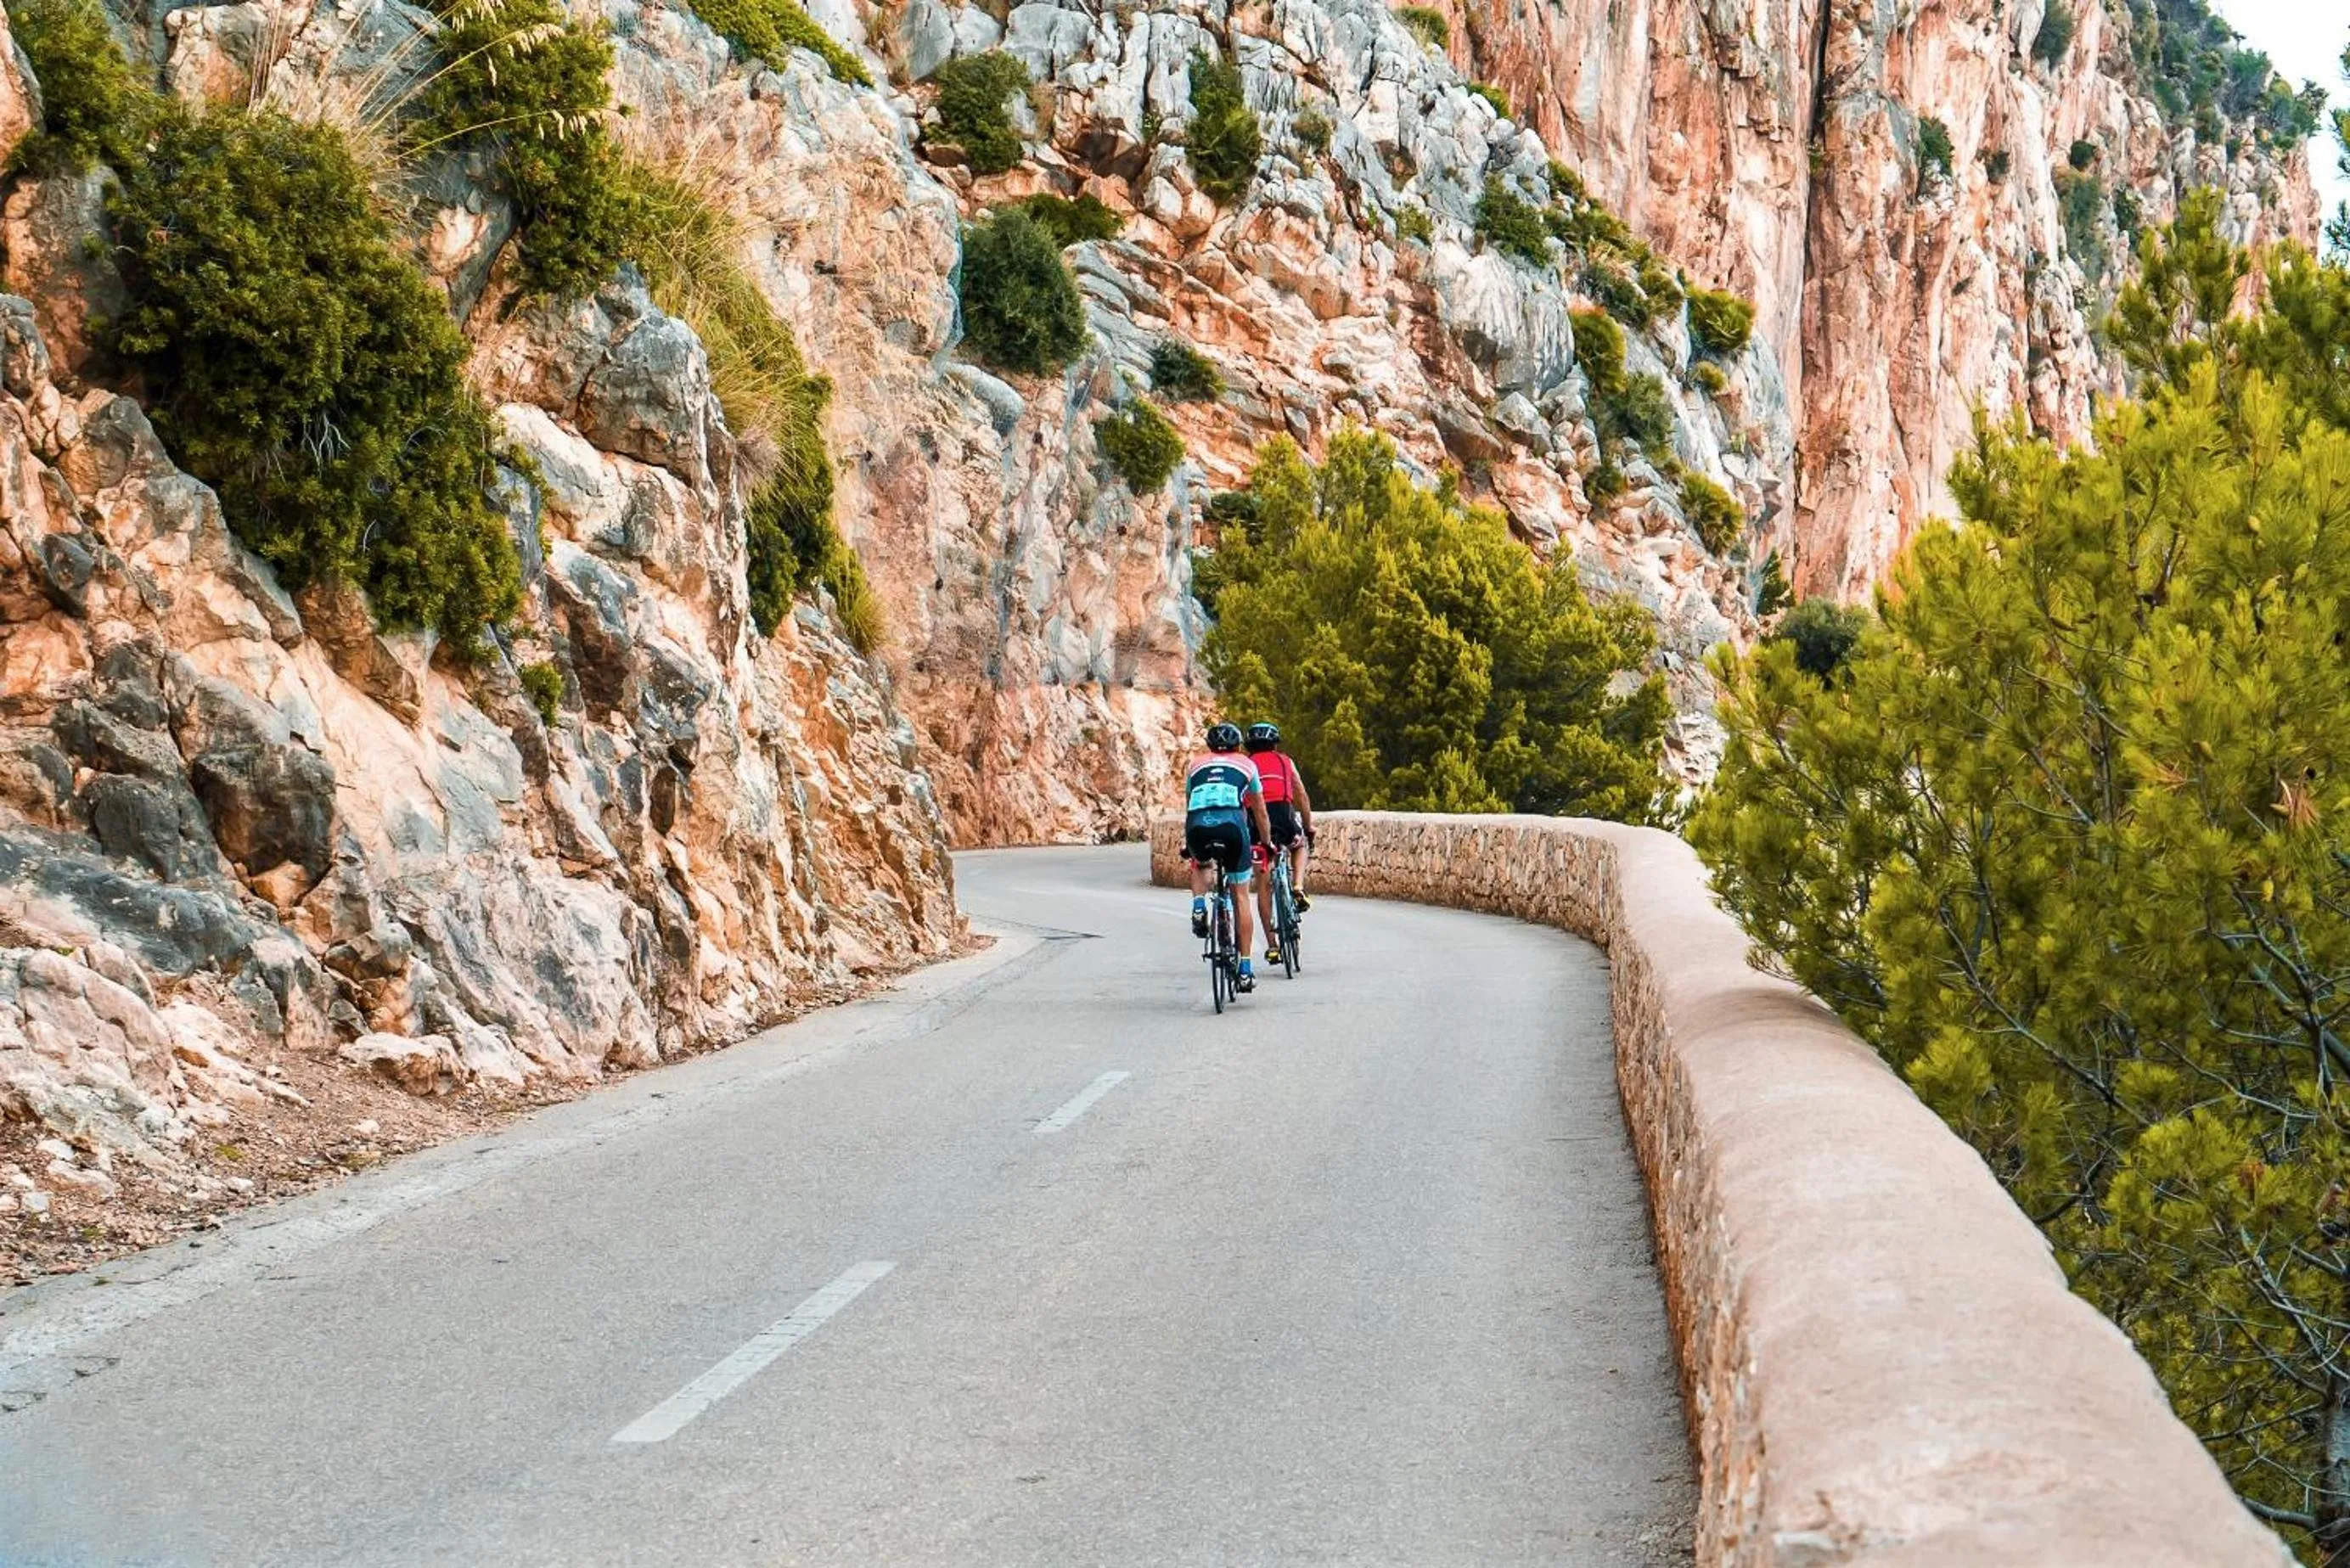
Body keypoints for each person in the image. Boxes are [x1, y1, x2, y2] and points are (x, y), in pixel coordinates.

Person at [1183, 722, 1273, 992]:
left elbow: (1190, 804)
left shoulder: (1195, 765)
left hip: (1198, 825)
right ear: (1238, 745)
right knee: (1240, 895)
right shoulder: (1247, 765)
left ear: (1210, 746)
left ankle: (1199, 905)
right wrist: (1266, 843)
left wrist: (1188, 843)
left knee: (1200, 863)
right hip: (1233, 826)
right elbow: (1260, 811)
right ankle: (1245, 970)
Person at [1242, 722, 1313, 965]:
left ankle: (1272, 946)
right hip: (1283, 815)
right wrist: (1308, 826)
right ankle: (1297, 886)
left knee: (1264, 884)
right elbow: (1301, 794)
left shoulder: (1246, 765)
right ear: (1274, 744)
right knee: (1299, 845)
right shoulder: (1286, 761)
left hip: (1256, 821)